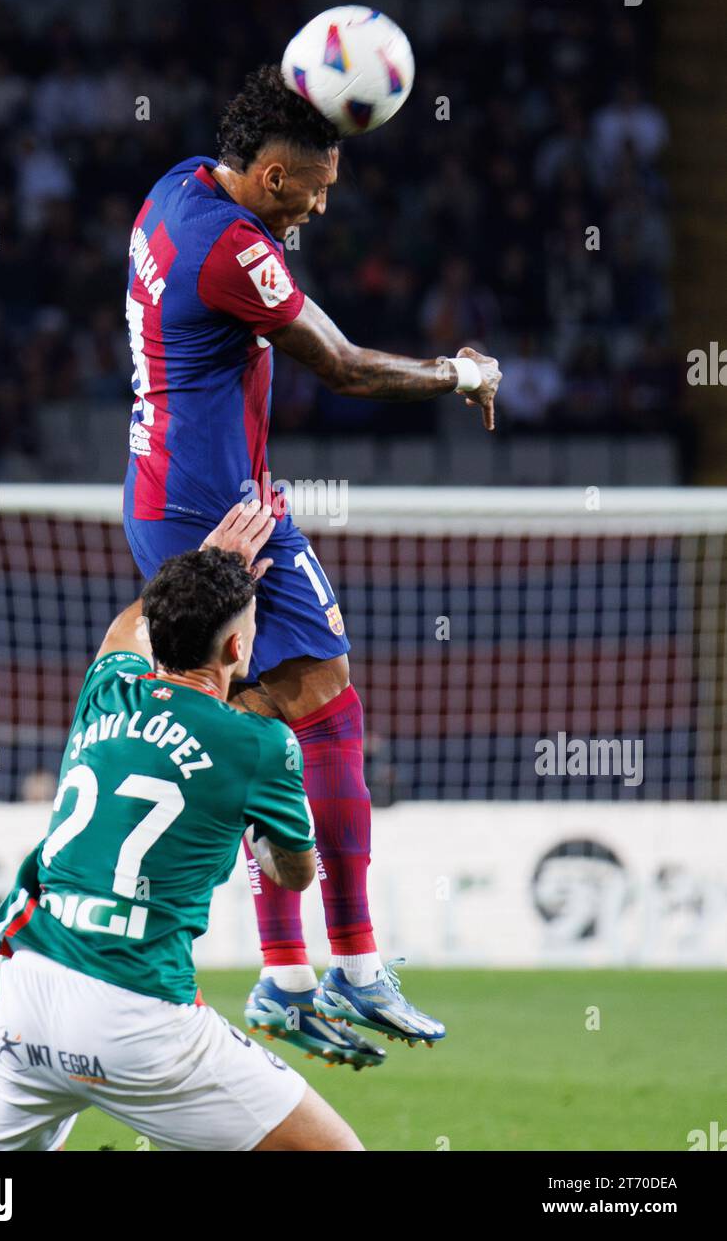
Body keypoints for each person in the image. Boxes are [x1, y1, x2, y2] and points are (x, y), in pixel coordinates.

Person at [120, 63, 501, 1057]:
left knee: (268, 721)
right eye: (317, 184)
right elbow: (340, 366)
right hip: (221, 509)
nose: (323, 202)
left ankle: (288, 978)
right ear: (275, 177)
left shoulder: (177, 188)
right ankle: (355, 966)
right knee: (323, 703)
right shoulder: (232, 250)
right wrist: (455, 372)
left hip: (172, 493)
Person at [0, 501, 369, 1152]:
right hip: (136, 1015)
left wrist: (199, 567)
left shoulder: (109, 684)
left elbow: (128, 627)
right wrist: (260, 829)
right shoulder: (259, 744)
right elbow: (296, 872)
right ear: (239, 647)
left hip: (27, 994)